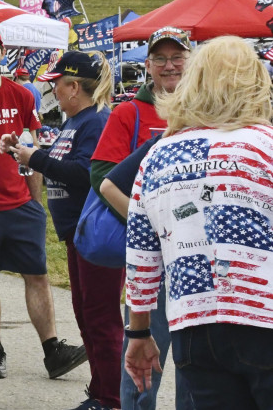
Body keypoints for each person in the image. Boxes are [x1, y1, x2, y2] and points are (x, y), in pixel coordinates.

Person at [123, 36, 273, 410]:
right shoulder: (266, 145)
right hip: (263, 317)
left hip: (195, 325)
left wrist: (139, 331)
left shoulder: (159, 156)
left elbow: (141, 254)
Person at [0, 29, 86, 381]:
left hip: (19, 204)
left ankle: (52, 350)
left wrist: (34, 200)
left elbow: (34, 148)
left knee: (39, 276)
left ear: (3, 53)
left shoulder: (20, 94)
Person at [6, 51, 118, 410]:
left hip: (96, 234)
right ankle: (100, 390)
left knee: (100, 319)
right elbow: (63, 163)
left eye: (56, 83)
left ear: (73, 87)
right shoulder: (76, 121)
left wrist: (33, 158)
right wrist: (24, 151)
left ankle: (111, 399)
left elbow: (86, 173)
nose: (52, 89)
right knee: (87, 316)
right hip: (77, 234)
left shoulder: (96, 121)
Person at [90, 26, 193, 410]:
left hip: (195, 262)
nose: (170, 66)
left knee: (196, 367)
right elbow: (102, 175)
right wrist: (149, 224)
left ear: (190, 61)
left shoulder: (205, 111)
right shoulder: (130, 111)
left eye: (176, 57)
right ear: (147, 65)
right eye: (161, 59)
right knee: (141, 363)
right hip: (152, 264)